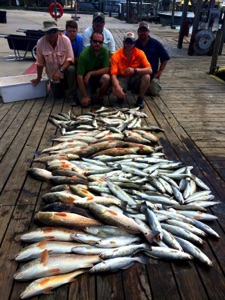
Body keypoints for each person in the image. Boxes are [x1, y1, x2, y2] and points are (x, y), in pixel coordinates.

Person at [31, 20, 77, 105]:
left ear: (58, 31)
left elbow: (70, 59)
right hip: (53, 76)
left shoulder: (65, 40)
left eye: (54, 31)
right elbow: (40, 63)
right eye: (49, 31)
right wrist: (38, 77)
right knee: (58, 95)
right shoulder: (40, 43)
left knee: (71, 69)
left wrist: (60, 71)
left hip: (65, 70)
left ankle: (72, 96)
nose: (52, 34)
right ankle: (62, 87)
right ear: (45, 32)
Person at [110, 32, 152, 109]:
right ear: (123, 43)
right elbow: (113, 75)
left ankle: (140, 98)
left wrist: (134, 70)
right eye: (127, 41)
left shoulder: (140, 53)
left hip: (134, 77)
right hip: (122, 77)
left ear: (134, 43)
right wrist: (117, 87)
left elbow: (149, 70)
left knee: (147, 77)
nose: (129, 44)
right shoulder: (116, 55)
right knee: (115, 90)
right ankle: (121, 95)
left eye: (131, 42)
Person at [135, 21, 170, 96]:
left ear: (148, 32)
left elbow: (165, 58)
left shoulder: (156, 43)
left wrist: (160, 71)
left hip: (152, 74)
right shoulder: (134, 44)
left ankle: (143, 88)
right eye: (141, 31)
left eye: (145, 31)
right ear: (138, 32)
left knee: (154, 91)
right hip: (137, 73)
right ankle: (142, 88)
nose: (142, 33)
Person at [77, 31, 110, 107]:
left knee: (107, 78)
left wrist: (90, 73)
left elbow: (106, 69)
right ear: (90, 41)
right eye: (95, 41)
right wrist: (85, 96)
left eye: (100, 42)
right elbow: (79, 77)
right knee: (85, 103)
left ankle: (100, 98)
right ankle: (87, 94)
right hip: (86, 81)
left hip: (97, 78)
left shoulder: (105, 51)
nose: (97, 44)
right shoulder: (83, 55)